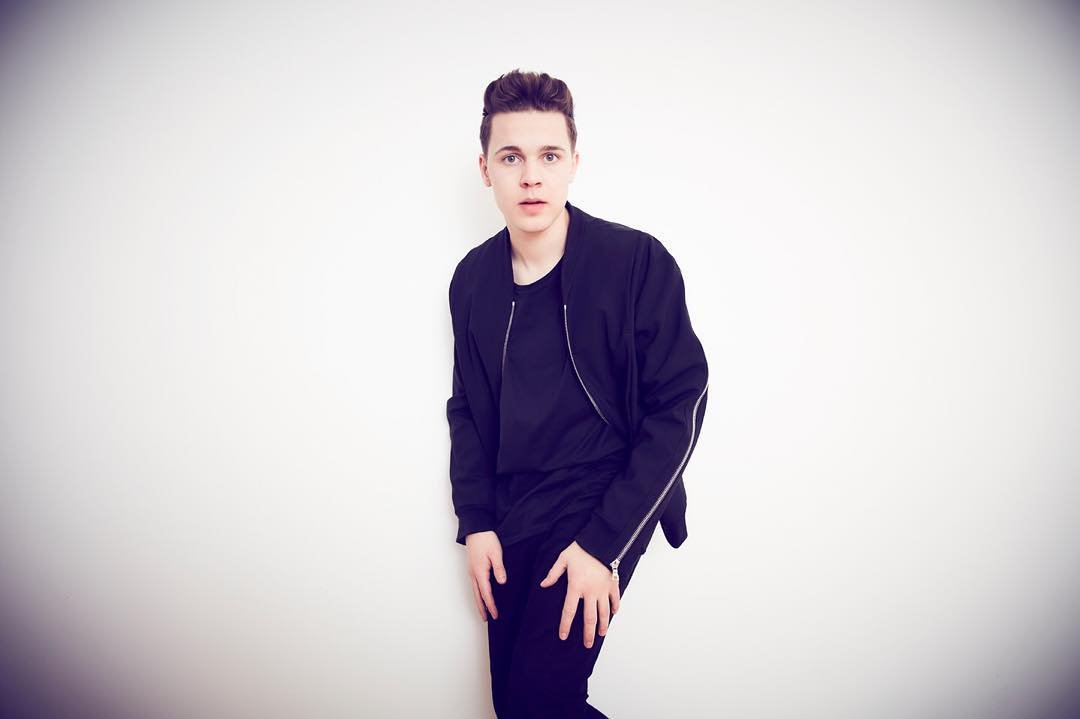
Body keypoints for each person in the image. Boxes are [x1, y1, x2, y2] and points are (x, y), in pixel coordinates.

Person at [445, 68, 710, 718]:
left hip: (605, 492)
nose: (530, 176)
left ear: (573, 163)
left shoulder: (636, 262)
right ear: (485, 169)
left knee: (542, 699)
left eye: (548, 156)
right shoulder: (472, 280)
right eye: (511, 157)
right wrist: (476, 522)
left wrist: (603, 545)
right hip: (515, 506)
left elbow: (681, 401)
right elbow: (468, 408)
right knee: (516, 706)